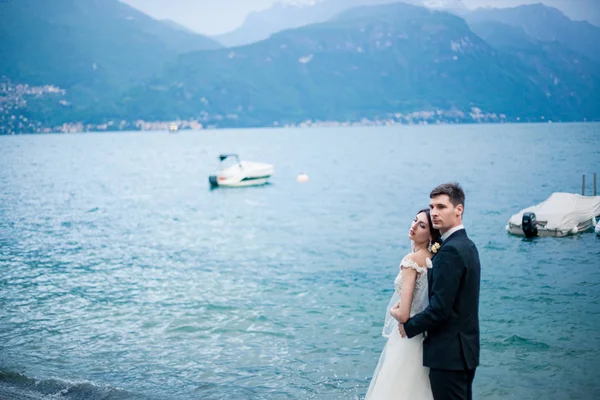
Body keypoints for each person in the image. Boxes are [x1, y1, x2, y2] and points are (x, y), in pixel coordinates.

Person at [399, 183, 481, 400]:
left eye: (441, 207)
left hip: (449, 355)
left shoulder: (451, 251)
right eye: (432, 206)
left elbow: (440, 309)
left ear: (458, 210)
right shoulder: (467, 245)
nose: (434, 213)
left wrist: (409, 327)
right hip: (463, 352)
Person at [365, 207, 441, 400]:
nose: (414, 226)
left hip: (406, 336)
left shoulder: (411, 261)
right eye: (415, 220)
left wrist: (393, 310)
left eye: (422, 225)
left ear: (431, 235)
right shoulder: (433, 259)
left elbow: (405, 313)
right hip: (425, 337)